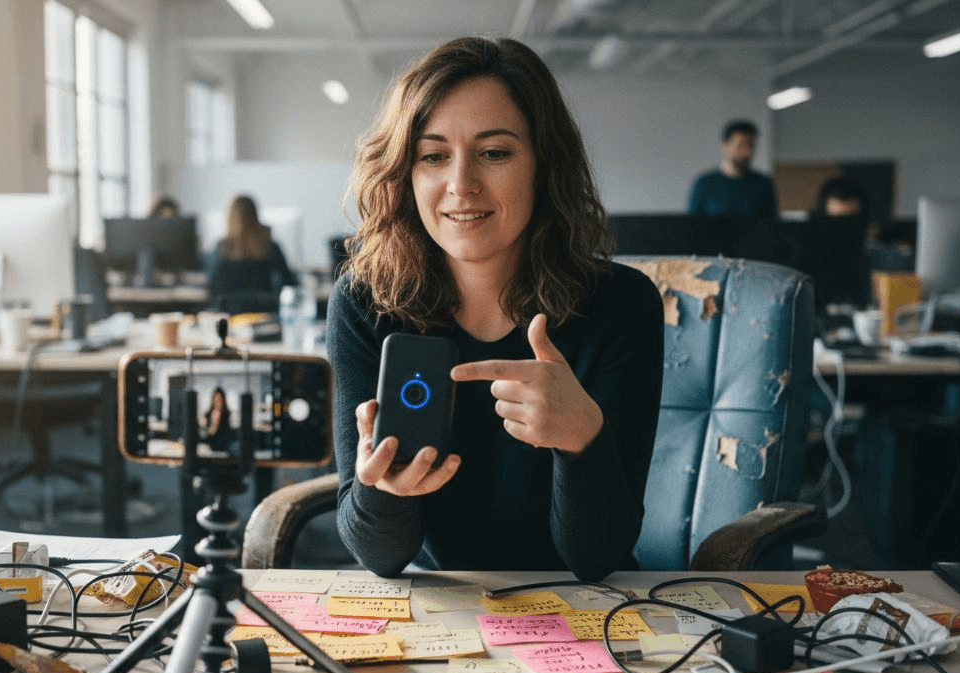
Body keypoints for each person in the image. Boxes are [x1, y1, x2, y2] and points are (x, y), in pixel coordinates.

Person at [327, 36, 663, 580]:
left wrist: (581, 443)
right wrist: (384, 489)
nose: (461, 184)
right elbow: (380, 555)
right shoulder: (366, 303)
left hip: (581, 613)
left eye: (495, 152)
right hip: (440, 608)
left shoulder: (621, 305)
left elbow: (597, 558)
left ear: (543, 164)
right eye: (433, 156)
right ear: (405, 174)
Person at [207, 194, 297, 313]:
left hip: (232, 315)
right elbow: (289, 282)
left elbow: (212, 289)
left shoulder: (222, 248)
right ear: (255, 215)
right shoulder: (270, 246)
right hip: (266, 313)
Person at [687, 119, 778, 218]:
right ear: (724, 145)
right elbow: (692, 227)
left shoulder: (763, 184)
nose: (747, 152)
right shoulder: (703, 184)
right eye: (741, 145)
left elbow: (773, 226)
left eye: (751, 146)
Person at [202, 386, 235, 453]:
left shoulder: (227, 415)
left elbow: (226, 433)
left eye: (219, 399)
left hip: (223, 447)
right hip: (210, 446)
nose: (217, 401)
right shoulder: (207, 414)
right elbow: (206, 430)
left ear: (223, 400)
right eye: (216, 399)